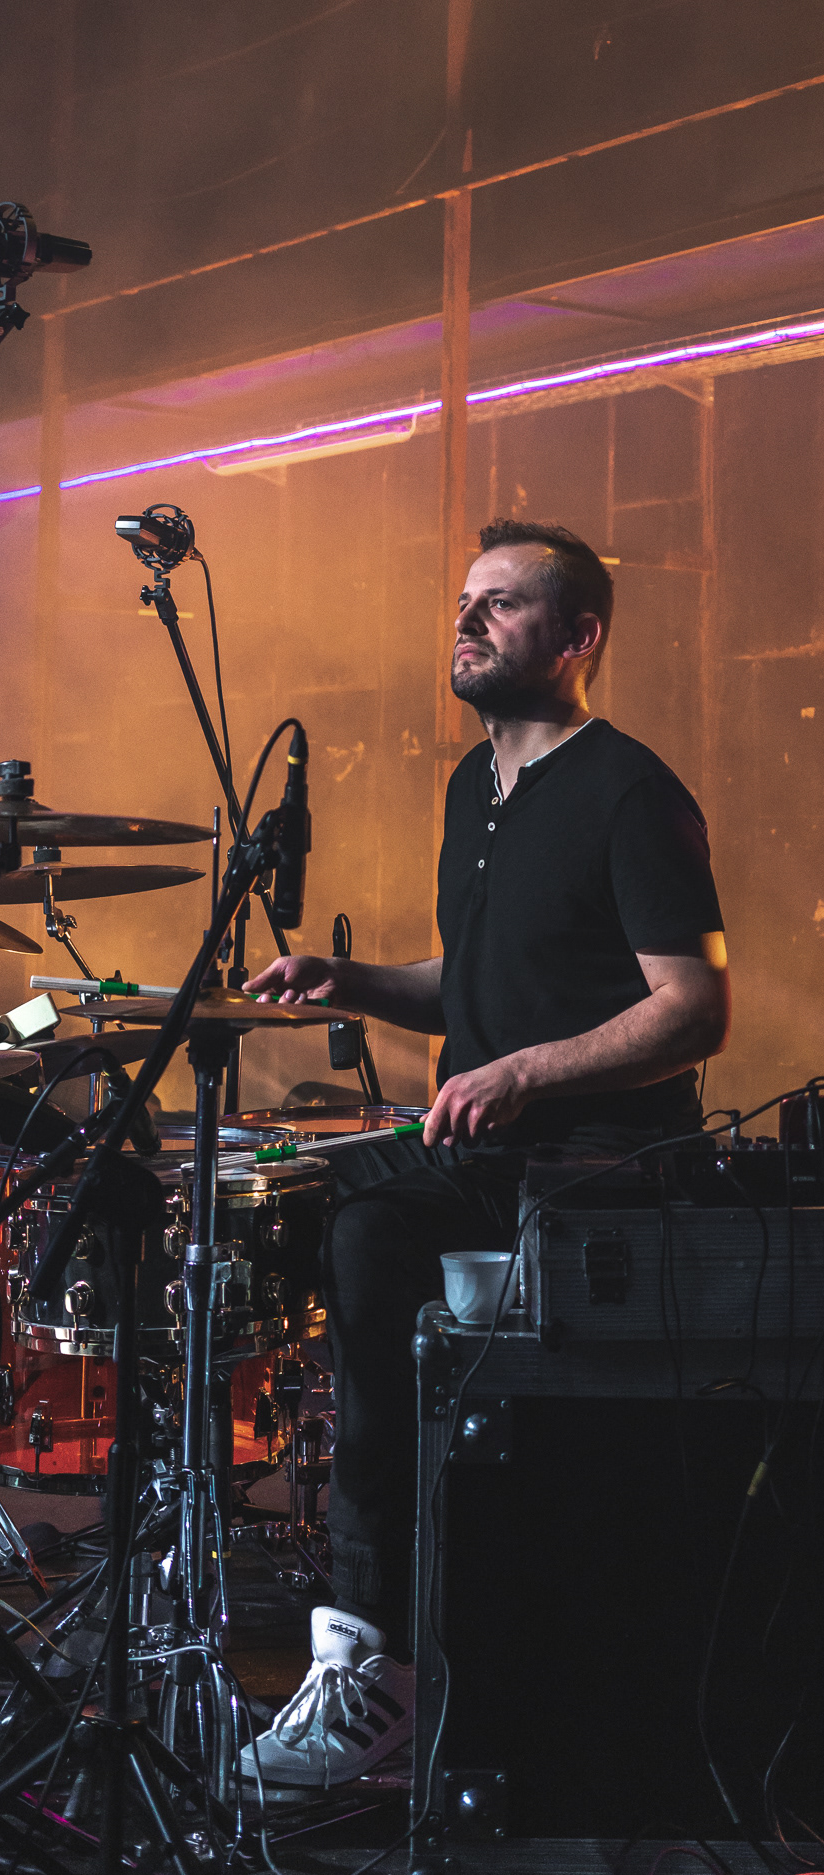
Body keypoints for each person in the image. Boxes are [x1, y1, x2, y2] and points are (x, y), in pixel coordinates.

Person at [238, 519, 731, 1789]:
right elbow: (484, 977)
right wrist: (350, 980)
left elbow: (692, 1006)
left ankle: (377, 1669)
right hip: (493, 1150)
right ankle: (328, 1609)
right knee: (266, 1199)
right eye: (464, 600)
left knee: (367, 1228)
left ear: (578, 639)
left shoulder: (630, 790)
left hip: (594, 1170)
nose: (467, 621)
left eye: (501, 605)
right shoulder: (476, 789)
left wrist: (522, 1073)